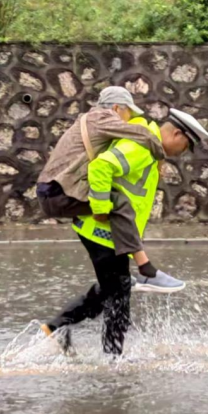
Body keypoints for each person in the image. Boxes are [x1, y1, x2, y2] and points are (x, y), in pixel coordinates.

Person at [41, 107, 208, 356]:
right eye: (185, 146)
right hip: (102, 230)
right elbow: (101, 166)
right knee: (118, 299)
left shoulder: (148, 147)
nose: (183, 153)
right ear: (176, 134)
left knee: (114, 288)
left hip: (109, 233)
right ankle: (110, 356)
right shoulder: (141, 147)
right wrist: (100, 208)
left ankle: (59, 327)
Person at [37, 86, 169, 282]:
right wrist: (160, 157)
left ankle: (122, 274)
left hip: (51, 191)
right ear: (117, 108)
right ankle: (145, 266)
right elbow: (143, 134)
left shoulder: (87, 119)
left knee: (113, 201)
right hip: (58, 193)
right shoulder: (102, 118)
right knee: (119, 203)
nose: (129, 119)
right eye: (128, 113)